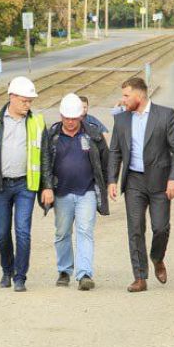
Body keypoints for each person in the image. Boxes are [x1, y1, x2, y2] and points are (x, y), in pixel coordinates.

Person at [0, 76, 53, 293]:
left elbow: (45, 155)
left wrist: (47, 186)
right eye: (25, 101)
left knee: (23, 231)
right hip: (0, 186)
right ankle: (6, 270)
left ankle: (20, 277)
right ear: (12, 97)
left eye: (30, 101)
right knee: (2, 232)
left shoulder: (37, 122)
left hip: (25, 186)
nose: (28, 105)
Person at [107, 77, 174, 293]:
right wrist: (112, 180)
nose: (122, 100)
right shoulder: (122, 120)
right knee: (135, 228)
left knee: (160, 227)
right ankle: (140, 277)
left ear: (139, 95)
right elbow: (115, 150)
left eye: (126, 95)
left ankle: (157, 257)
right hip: (134, 181)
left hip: (160, 181)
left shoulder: (165, 115)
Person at [47, 93, 110, 291]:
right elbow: (45, 164)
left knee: (85, 232)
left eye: (75, 118)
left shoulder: (93, 134)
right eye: (67, 118)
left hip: (87, 191)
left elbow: (106, 159)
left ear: (81, 117)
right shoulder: (52, 136)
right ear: (61, 116)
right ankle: (64, 270)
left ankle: (84, 274)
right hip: (61, 193)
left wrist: (110, 182)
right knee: (62, 232)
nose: (71, 122)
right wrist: (47, 187)